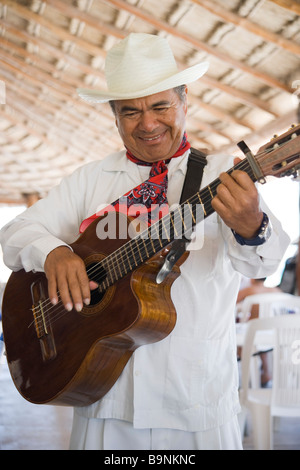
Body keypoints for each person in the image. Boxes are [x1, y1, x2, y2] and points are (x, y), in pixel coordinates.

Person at [0, 33, 290, 450]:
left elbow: (264, 264)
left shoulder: (223, 174)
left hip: (194, 400)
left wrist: (252, 224)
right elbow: (14, 233)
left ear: (184, 99)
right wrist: (54, 253)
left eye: (160, 106)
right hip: (102, 397)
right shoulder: (90, 179)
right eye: (130, 112)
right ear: (115, 116)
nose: (148, 124)